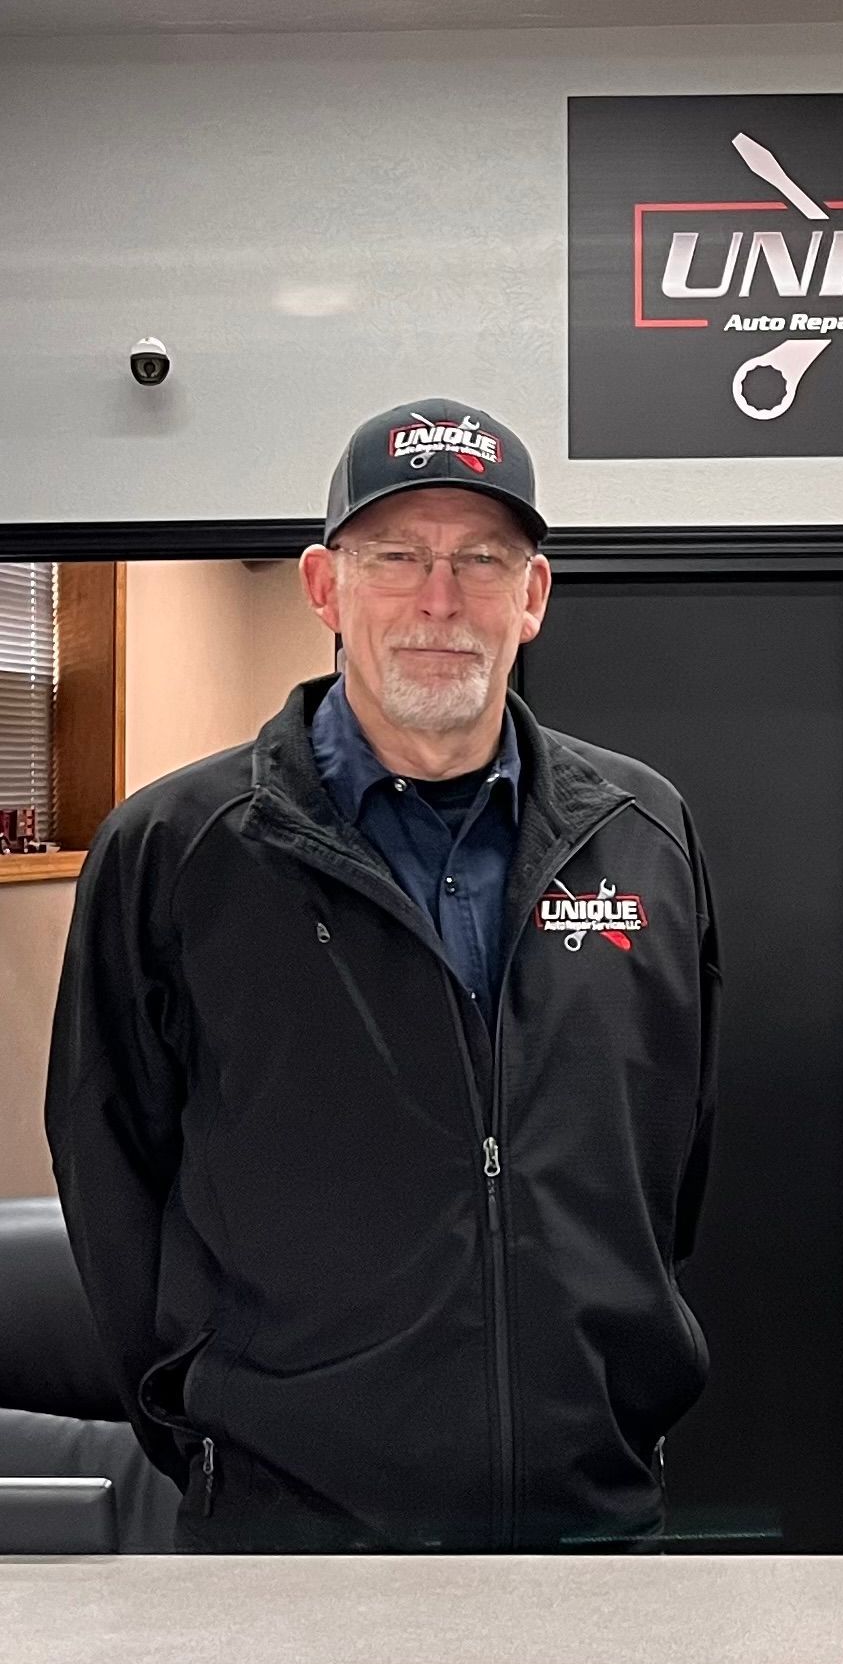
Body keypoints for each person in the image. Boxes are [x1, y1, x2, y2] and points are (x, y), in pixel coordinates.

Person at [48, 398, 718, 1552]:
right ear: (325, 586)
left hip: (588, 1515)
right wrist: (210, 1414)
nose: (439, 601)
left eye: (481, 560)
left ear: (535, 595)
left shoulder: (640, 832)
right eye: (396, 556)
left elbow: (675, 1149)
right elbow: (111, 1168)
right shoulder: (177, 849)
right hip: (290, 1527)